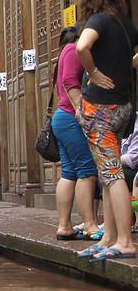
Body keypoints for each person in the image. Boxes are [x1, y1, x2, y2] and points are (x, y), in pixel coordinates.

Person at [75, 0, 138, 261]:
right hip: (124, 107)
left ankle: (124, 240)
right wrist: (123, 67)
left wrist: (94, 73)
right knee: (107, 174)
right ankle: (109, 238)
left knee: (112, 176)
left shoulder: (98, 20)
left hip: (100, 108)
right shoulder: (125, 24)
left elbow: (81, 46)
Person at [50, 27, 101, 241]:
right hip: (71, 117)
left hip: (64, 118)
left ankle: (64, 225)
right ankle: (89, 224)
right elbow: (70, 81)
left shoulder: (65, 51)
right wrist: (82, 113)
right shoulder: (72, 50)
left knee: (69, 172)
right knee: (87, 171)